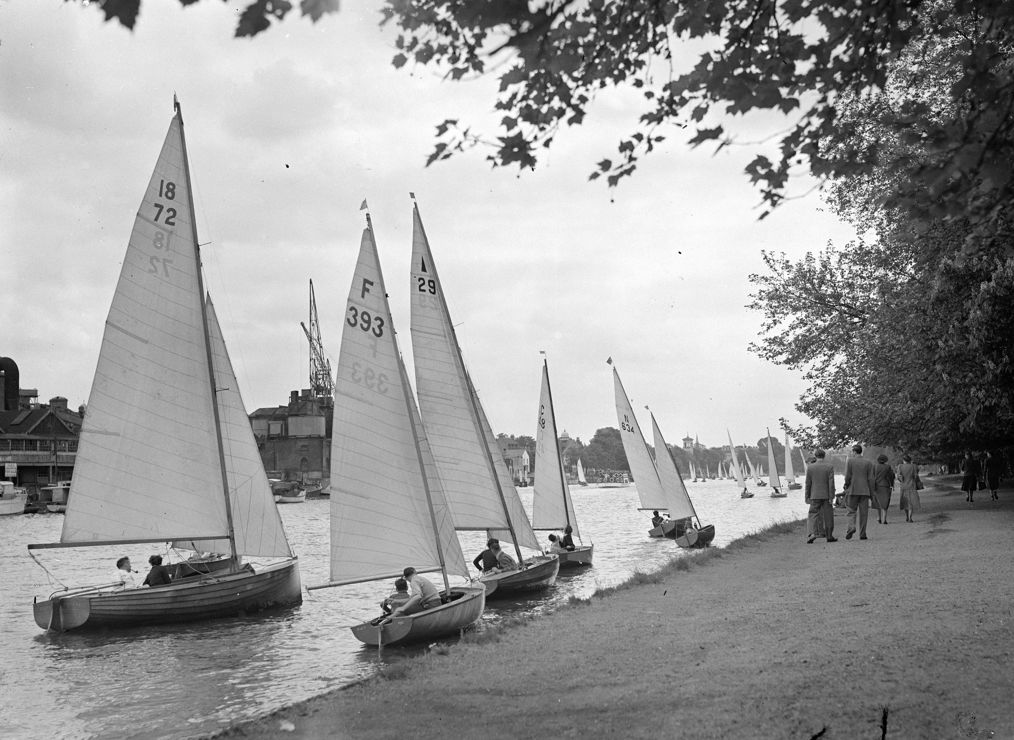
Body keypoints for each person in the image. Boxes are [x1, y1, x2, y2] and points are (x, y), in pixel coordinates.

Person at [843, 444, 876, 540]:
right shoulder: (868, 463)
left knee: (851, 510)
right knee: (864, 513)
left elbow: (848, 476)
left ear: (854, 451)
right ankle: (862, 534)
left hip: (853, 489)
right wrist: (871, 492)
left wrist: (846, 484)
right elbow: (871, 479)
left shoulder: (850, 461)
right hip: (865, 490)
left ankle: (851, 527)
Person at [804, 448, 837, 543]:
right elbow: (831, 483)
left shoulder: (810, 468)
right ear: (824, 456)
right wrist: (832, 496)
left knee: (813, 514)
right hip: (826, 495)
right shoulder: (829, 467)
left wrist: (807, 496)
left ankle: (812, 533)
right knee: (828, 515)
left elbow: (808, 484)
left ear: (815, 456)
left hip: (814, 495)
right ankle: (829, 536)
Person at [896, 454, 921, 522]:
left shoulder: (900, 466)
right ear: (909, 460)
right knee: (911, 501)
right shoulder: (913, 466)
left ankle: (907, 516)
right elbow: (916, 476)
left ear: (903, 460)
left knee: (905, 502)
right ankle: (910, 517)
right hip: (912, 485)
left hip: (903, 486)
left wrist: (902, 480)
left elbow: (898, 476)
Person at [872, 453, 895, 524]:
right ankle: (884, 519)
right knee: (885, 502)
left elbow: (871, 477)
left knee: (878, 502)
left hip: (876, 486)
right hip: (885, 486)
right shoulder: (888, 467)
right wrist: (892, 485)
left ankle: (879, 518)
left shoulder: (874, 466)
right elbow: (891, 476)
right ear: (885, 460)